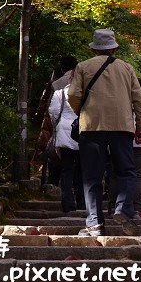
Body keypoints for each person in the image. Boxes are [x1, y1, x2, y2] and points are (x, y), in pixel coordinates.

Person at [68, 29, 141, 237]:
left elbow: (73, 94)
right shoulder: (127, 68)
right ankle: (122, 208)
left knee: (92, 176)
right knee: (127, 170)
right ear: (114, 48)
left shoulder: (83, 67)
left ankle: (95, 224)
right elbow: (139, 101)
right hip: (122, 125)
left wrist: (82, 111)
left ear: (93, 49)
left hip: (92, 126)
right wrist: (140, 127)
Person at [109, 79, 141, 219]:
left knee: (116, 173)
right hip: (140, 141)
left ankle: (113, 206)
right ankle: (137, 209)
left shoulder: (115, 98)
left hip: (119, 140)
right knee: (137, 175)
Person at [47, 55, 85, 213]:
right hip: (84, 132)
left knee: (67, 169)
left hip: (65, 133)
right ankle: (83, 201)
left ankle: (67, 202)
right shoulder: (87, 93)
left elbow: (53, 113)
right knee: (82, 170)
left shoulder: (60, 93)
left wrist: (59, 124)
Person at [35, 56, 76, 186]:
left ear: (62, 67)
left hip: (60, 125)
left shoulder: (56, 84)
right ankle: (79, 194)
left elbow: (51, 109)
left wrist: (54, 125)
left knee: (59, 159)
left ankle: (55, 184)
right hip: (80, 126)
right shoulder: (83, 81)